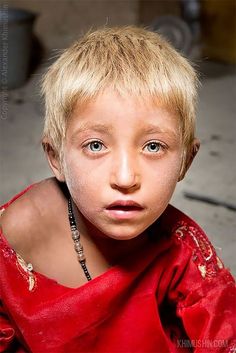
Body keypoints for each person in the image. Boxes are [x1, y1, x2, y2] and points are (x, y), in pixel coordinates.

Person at [0, 26, 235, 353]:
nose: (125, 178)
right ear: (56, 158)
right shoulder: (14, 238)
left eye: (153, 146)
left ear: (186, 161)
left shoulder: (184, 252)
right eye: (95, 145)